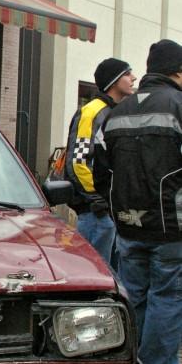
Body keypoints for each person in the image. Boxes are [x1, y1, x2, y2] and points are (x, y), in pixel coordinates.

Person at [94, 39, 182, 364]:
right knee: (168, 296)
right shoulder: (179, 106)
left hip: (129, 224)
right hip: (171, 226)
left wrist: (117, 207)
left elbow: (100, 171)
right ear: (177, 71)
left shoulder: (116, 112)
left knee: (136, 296)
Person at [64, 57, 136, 264]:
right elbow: (78, 161)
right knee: (94, 271)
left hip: (107, 211)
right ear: (113, 81)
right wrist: (97, 198)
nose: (134, 77)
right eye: (127, 73)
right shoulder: (93, 111)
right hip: (96, 212)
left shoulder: (112, 111)